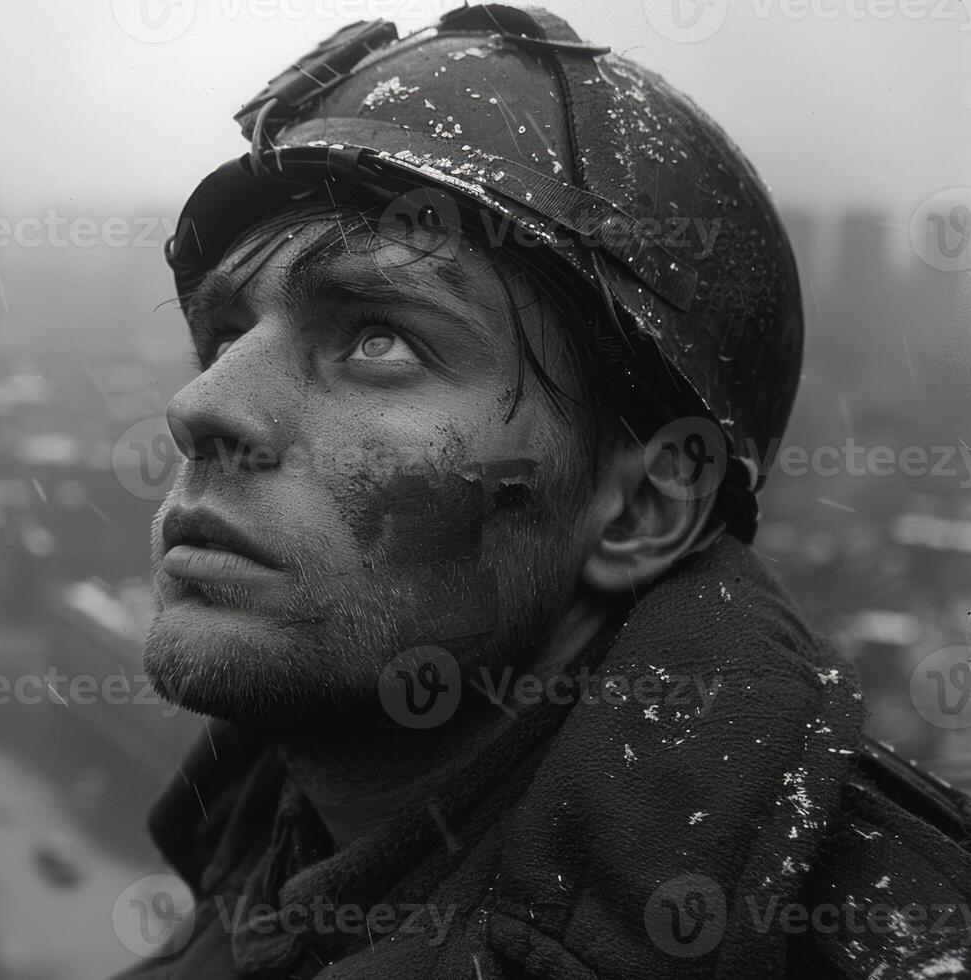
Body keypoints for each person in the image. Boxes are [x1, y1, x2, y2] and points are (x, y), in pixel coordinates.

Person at [117, 6, 971, 978]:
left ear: (645, 508)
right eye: (227, 333)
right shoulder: (261, 873)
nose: (201, 404)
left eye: (378, 338)